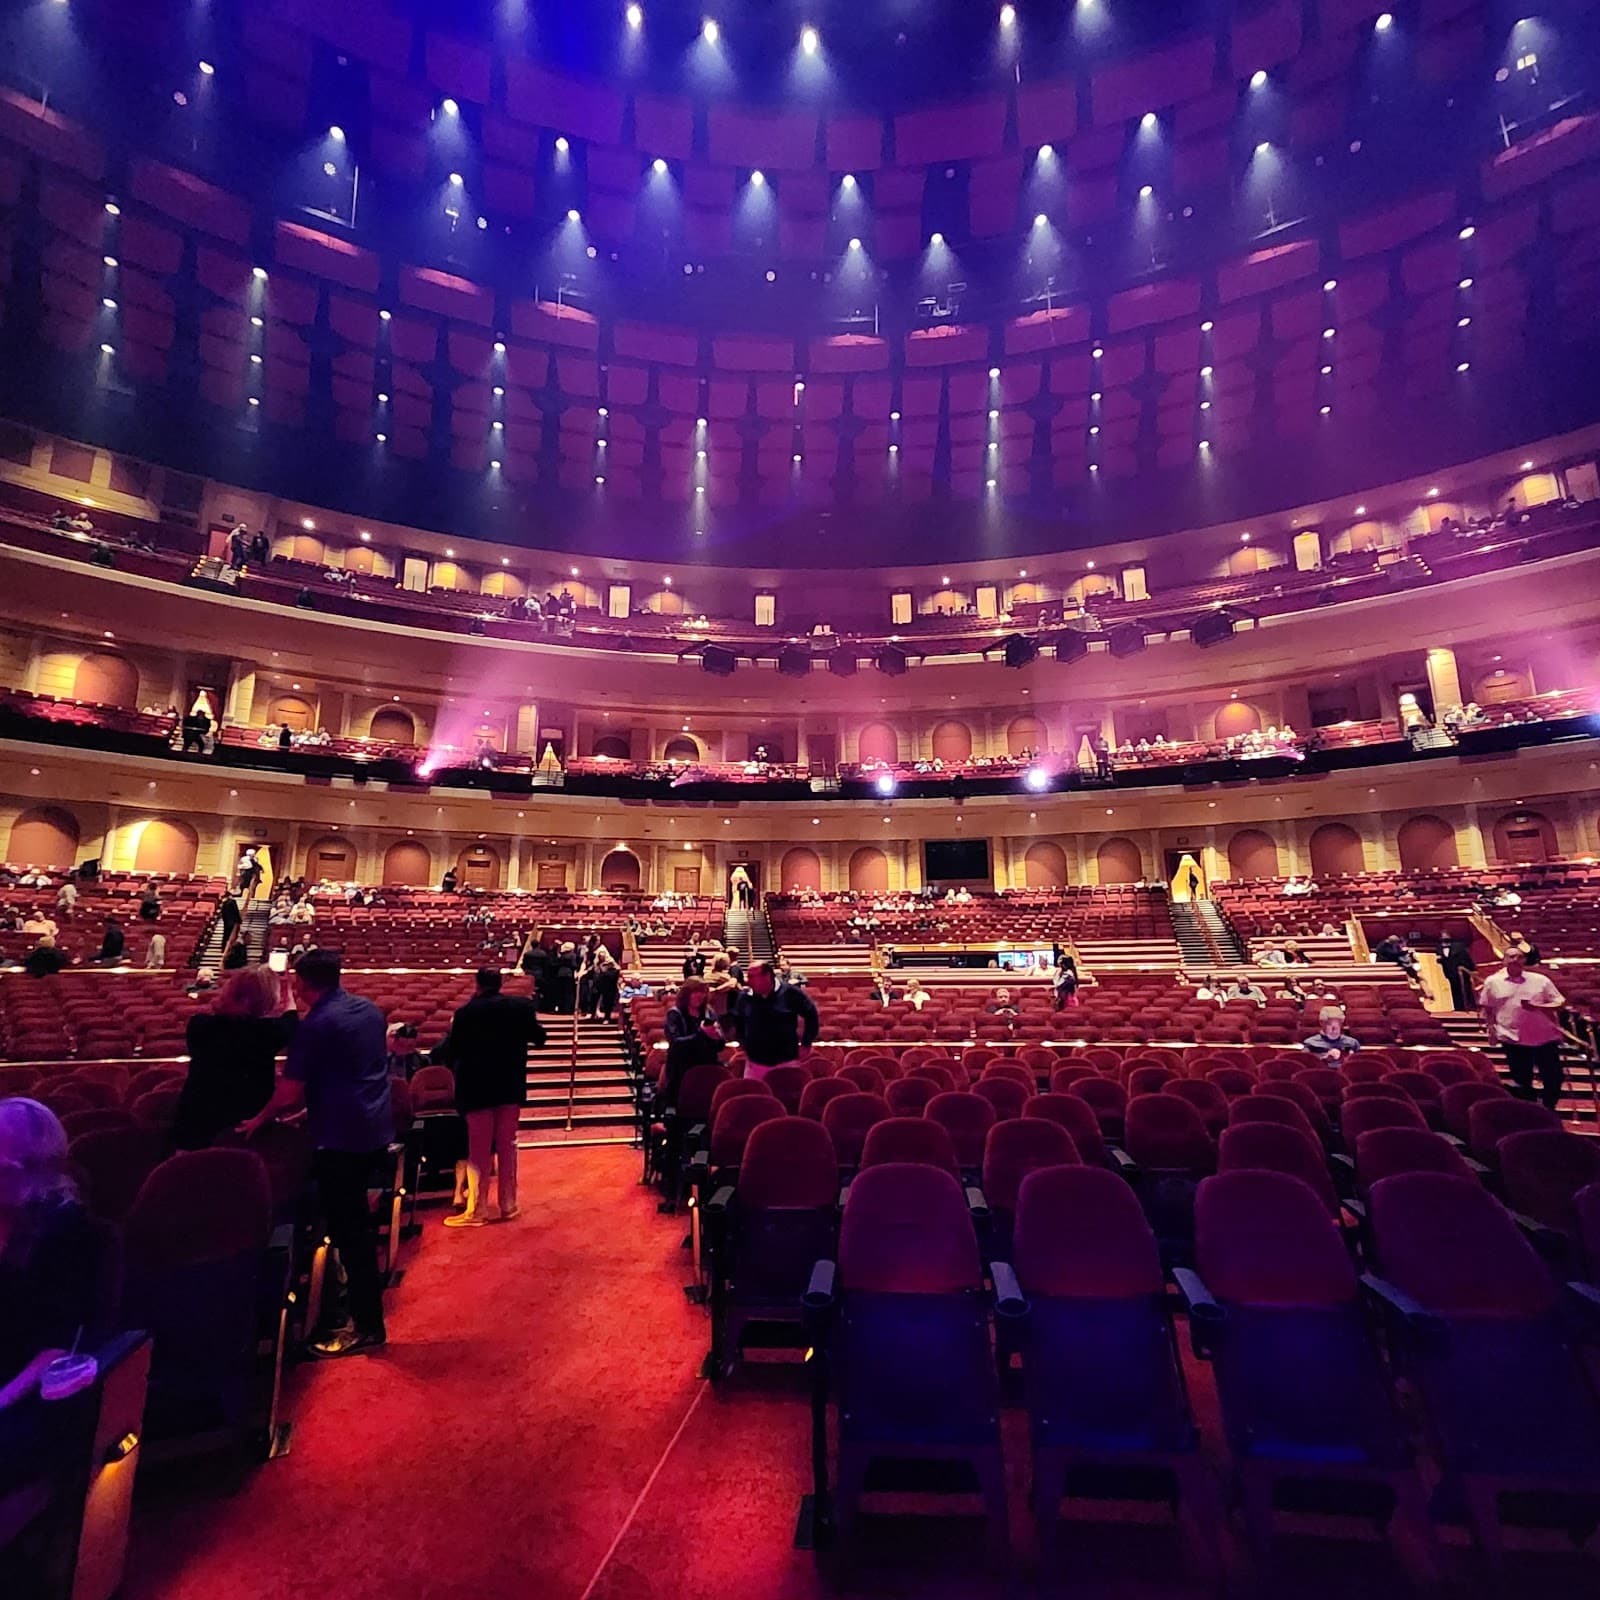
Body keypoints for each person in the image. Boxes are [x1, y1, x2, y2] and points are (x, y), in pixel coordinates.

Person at [239, 950, 393, 1357]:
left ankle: (366, 1326)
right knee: (356, 1230)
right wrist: (310, 1110)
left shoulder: (317, 1024)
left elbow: (289, 1090)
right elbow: (358, 1072)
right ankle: (356, 1311)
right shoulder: (369, 1011)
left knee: (351, 1233)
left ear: (301, 983)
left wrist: (259, 1119)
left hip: (342, 1138)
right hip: (374, 1127)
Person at [0, 1100, 119, 1494]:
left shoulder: (71, 1233)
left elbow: (57, 1349)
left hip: (35, 1394)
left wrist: (1, 1400)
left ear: (27, 1169)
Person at [434, 970, 546, 1227]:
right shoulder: (520, 1008)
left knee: (478, 1150)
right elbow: (539, 1038)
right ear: (500, 983)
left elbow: (452, 1050)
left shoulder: (466, 1013)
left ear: (478, 985)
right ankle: (509, 1205)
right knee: (508, 1146)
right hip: (509, 1086)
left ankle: (477, 1210)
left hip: (476, 1089)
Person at [174, 965, 297, 1150]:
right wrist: (288, 993)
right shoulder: (268, 1032)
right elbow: (291, 1020)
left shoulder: (199, 1024)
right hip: (246, 1124)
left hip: (197, 1120)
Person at [1479, 946, 1567, 1110]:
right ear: (1504, 960)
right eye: (1511, 957)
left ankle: (1549, 1107)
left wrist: (1539, 1007)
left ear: (1525, 960)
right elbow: (1488, 1008)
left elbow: (1559, 1002)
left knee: (1554, 1077)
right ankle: (1530, 1110)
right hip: (1513, 1038)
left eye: (1519, 957)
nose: (1515, 960)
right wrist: (1490, 1030)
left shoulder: (1540, 980)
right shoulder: (1492, 982)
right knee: (1522, 1081)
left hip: (1544, 1037)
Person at [727, 960, 819, 1081]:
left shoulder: (791, 993)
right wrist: (743, 1043)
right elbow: (737, 1019)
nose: (747, 981)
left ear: (767, 976)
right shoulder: (745, 996)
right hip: (755, 1063)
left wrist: (806, 1043)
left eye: (752, 977)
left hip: (786, 1060)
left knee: (787, 1092)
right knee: (756, 1092)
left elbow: (811, 1015)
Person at [661, 979, 724, 1104]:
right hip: (682, 1070)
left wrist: (717, 1036)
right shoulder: (675, 1014)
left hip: (707, 1067)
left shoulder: (709, 1012)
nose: (700, 996)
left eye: (703, 992)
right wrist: (702, 1034)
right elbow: (676, 1043)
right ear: (686, 994)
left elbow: (720, 1045)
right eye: (696, 992)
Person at [1439, 930, 1477, 1011]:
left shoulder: (1459, 946)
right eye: (1443, 936)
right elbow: (1445, 960)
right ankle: (1458, 1008)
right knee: (1454, 991)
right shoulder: (1439, 948)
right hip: (1450, 974)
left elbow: (1467, 958)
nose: (1444, 938)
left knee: (1466, 990)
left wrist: (1472, 969)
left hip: (1462, 973)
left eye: (1446, 936)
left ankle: (1469, 1007)